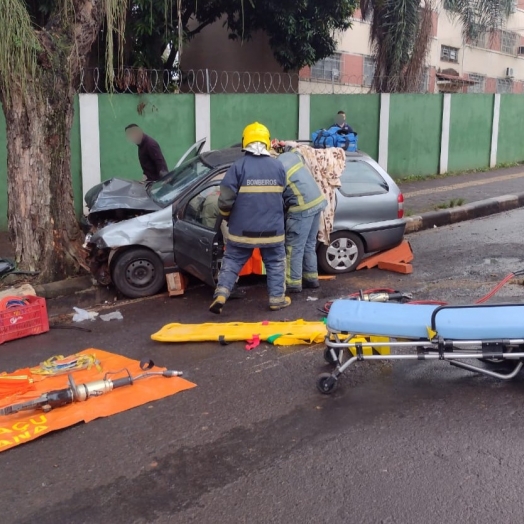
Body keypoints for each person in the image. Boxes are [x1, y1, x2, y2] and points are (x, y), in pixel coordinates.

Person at [209, 122, 291, 314]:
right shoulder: (278, 167)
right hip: (273, 231)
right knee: (275, 263)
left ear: (245, 142)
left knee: (232, 261)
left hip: (242, 231)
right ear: (267, 142)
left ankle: (221, 293)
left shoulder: (238, 167)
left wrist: (227, 217)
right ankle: (277, 299)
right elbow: (285, 197)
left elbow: (225, 201)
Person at [279, 147, 327, 293]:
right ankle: (311, 279)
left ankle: (293, 283)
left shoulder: (274, 168)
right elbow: (297, 151)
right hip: (317, 203)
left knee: (294, 247)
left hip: (302, 207)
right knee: (309, 244)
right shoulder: (291, 156)